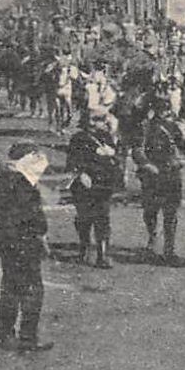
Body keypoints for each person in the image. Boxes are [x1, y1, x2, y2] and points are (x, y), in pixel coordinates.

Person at [0, 142, 54, 352]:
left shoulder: (1, 179)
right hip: (25, 241)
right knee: (32, 289)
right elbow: (34, 216)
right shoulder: (23, 183)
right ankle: (28, 337)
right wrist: (41, 235)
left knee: (10, 287)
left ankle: (4, 334)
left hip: (8, 240)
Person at [135, 96, 185, 261]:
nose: (164, 113)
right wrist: (146, 164)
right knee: (150, 211)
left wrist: (184, 135)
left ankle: (169, 248)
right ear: (155, 111)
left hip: (171, 173)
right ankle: (152, 238)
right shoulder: (145, 127)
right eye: (161, 110)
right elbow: (137, 149)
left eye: (167, 110)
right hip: (152, 174)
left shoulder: (175, 127)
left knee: (171, 213)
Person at [66, 108, 119, 268]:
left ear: (104, 121)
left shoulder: (107, 137)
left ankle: (103, 255)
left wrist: (113, 154)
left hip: (103, 183)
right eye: (90, 119)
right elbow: (72, 161)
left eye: (97, 120)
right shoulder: (78, 138)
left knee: (102, 218)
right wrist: (81, 173)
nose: (92, 123)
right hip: (84, 184)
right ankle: (84, 249)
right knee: (84, 218)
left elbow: (115, 159)